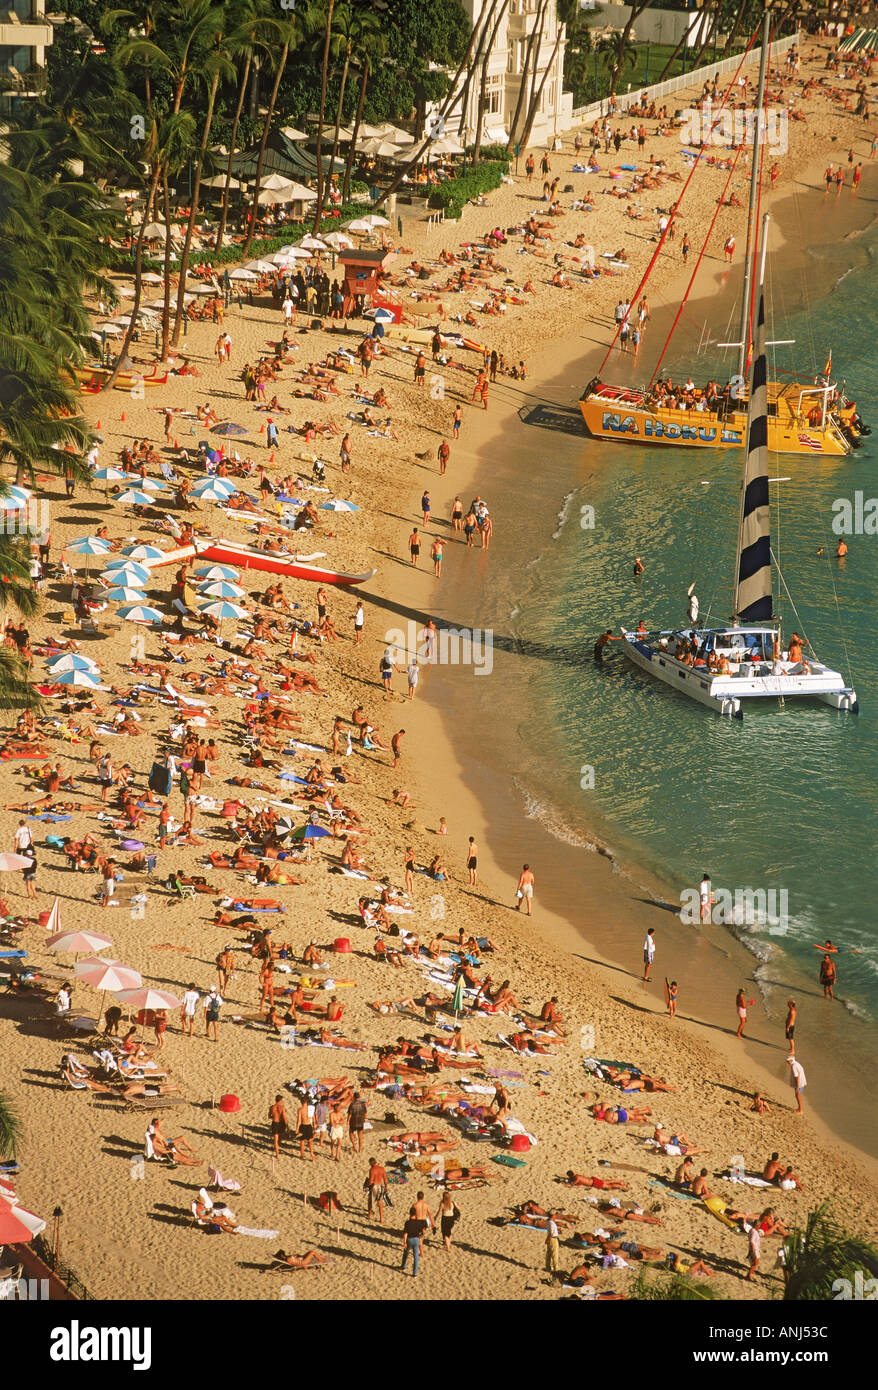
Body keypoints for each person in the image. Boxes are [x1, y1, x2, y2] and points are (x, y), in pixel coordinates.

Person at [401, 1205, 424, 1277]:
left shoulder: (407, 1223)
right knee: (416, 1256)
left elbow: (405, 1233)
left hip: (409, 1240)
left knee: (406, 1252)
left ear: (410, 1213)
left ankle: (403, 1265)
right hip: (416, 1240)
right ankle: (415, 1273)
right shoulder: (418, 1222)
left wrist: (404, 1242)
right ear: (415, 1214)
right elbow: (422, 1232)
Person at [269, 1094, 288, 1158]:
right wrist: (287, 1125)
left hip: (275, 1123)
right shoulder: (282, 1107)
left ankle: (277, 1154)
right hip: (281, 1123)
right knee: (279, 1138)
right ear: (280, 1100)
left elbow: (269, 1116)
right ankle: (277, 1147)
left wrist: (274, 1116)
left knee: (275, 1139)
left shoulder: (272, 1107)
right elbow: (284, 1117)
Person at [544, 1212, 560, 1278]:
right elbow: (551, 1234)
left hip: (551, 1238)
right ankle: (556, 1269)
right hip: (553, 1239)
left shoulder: (548, 1222)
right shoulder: (551, 1223)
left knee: (549, 1253)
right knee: (554, 1254)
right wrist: (547, 1240)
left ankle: (548, 1267)